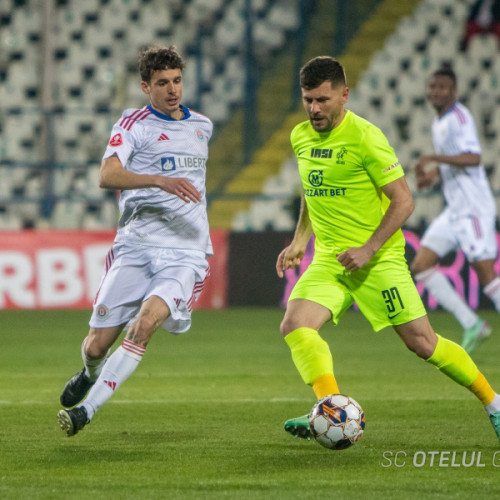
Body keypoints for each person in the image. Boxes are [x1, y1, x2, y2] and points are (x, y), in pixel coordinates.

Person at [276, 56, 500, 442]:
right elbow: (310, 191)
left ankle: (494, 403)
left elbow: (403, 201)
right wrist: (300, 239)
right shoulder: (300, 137)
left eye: (323, 100)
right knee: (295, 325)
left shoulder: (366, 137)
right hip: (331, 259)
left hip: (377, 260)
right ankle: (330, 409)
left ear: (344, 95)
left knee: (424, 344)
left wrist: (368, 248)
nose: (314, 109)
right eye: (308, 100)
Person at [57, 45, 213, 437]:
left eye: (177, 80)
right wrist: (160, 179)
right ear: (146, 87)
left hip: (186, 252)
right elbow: (106, 176)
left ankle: (86, 412)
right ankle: (90, 374)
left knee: (144, 324)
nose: (172, 89)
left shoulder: (202, 126)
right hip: (137, 247)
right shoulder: (133, 124)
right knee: (95, 347)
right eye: (162, 83)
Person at [411, 67, 500, 354]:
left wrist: (432, 157)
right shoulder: (440, 122)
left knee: (485, 273)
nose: (436, 91)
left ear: (454, 91)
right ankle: (472, 323)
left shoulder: (460, 118)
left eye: (443, 87)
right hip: (454, 210)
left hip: (473, 208)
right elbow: (454, 161)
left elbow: (473, 158)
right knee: (421, 266)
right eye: (432, 86)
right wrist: (432, 175)